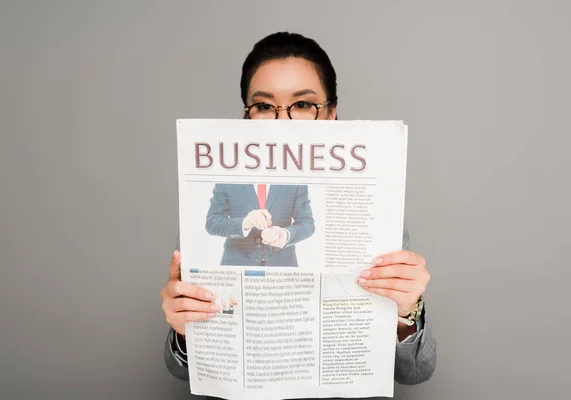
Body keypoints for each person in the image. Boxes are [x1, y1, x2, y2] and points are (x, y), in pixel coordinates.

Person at [160, 32, 436, 396]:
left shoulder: (378, 218)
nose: (282, 122)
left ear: (332, 114)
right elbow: (179, 371)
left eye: (303, 105)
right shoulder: (214, 187)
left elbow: (415, 373)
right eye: (263, 106)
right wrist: (183, 331)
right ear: (246, 116)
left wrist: (406, 311)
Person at [205, 183, 315, 266]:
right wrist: (245, 223)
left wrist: (286, 235)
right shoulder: (227, 179)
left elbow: (307, 223)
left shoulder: (296, 181)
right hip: (237, 262)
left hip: (282, 264)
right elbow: (212, 222)